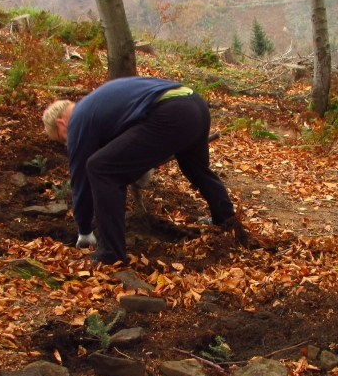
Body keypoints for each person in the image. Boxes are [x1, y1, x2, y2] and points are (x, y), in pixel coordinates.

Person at [41, 76, 247, 265]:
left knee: (100, 168)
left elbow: (81, 178)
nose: (67, 143)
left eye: (62, 138)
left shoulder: (77, 119)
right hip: (193, 103)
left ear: (61, 123)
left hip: (171, 111)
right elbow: (132, 141)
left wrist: (84, 230)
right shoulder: (96, 105)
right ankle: (227, 221)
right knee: (196, 168)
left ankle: (111, 252)